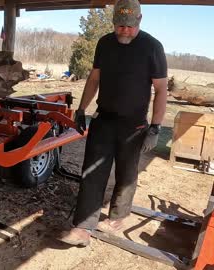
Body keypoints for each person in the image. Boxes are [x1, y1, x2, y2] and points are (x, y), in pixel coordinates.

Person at [59, 0, 168, 246]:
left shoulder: (152, 47)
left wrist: (156, 127)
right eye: (119, 25)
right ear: (113, 22)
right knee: (92, 172)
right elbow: (94, 77)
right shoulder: (105, 43)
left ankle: (118, 216)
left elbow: (161, 90)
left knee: (127, 173)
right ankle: (83, 227)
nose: (124, 31)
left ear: (139, 21)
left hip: (134, 125)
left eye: (129, 26)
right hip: (104, 119)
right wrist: (82, 108)